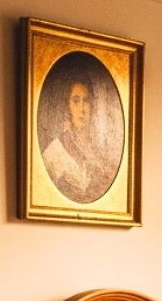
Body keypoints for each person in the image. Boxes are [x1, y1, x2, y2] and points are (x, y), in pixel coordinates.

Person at [41, 72, 121, 204]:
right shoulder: (54, 152)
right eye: (76, 101)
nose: (83, 109)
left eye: (87, 101)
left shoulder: (99, 152)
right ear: (67, 106)